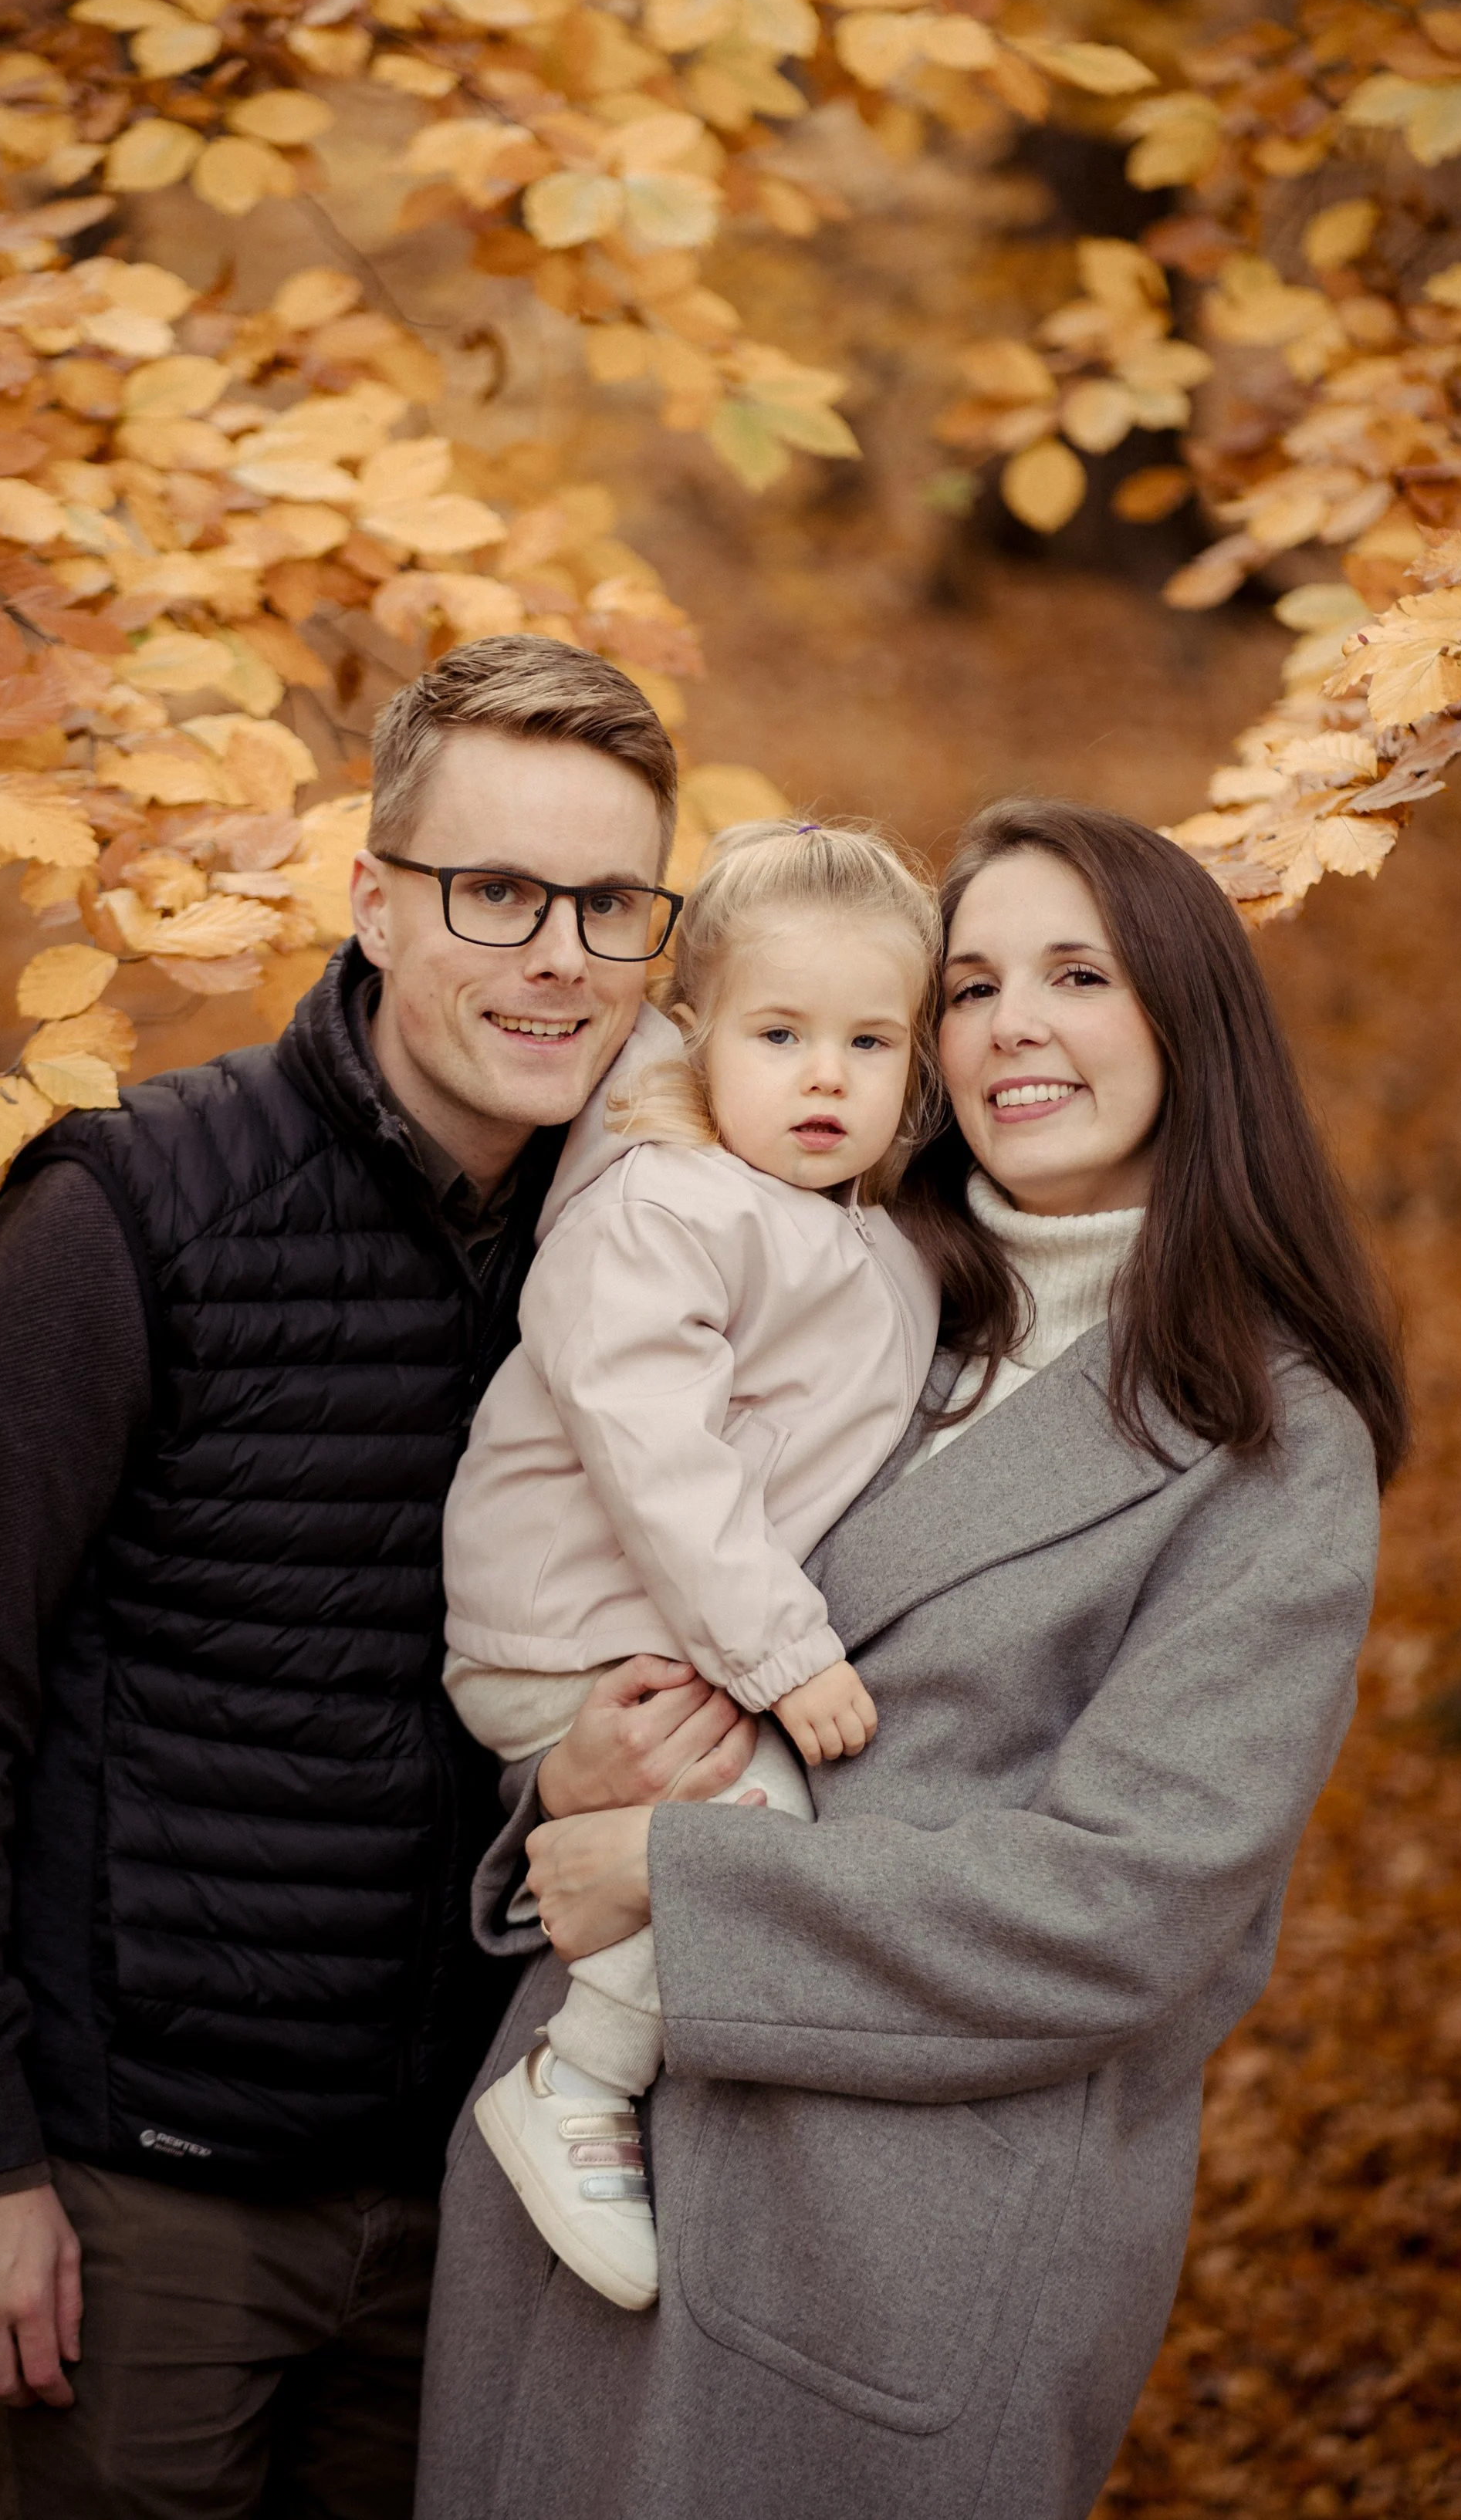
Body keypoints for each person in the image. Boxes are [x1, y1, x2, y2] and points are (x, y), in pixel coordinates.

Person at [0, 636, 756, 2520]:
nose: (557, 956)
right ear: (373, 901)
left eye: (608, 906)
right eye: (494, 894)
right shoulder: (129, 1213)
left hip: (476, 2207)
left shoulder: (657, 1237)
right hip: (144, 2191)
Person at [416, 795, 1409, 2520]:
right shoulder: (855, 1288)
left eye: (1077, 974)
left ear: (1191, 1021)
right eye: (968, 986)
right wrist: (571, 1785)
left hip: (874, 2260)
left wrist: (676, 1873)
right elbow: (629, 1598)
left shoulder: (1268, 1446)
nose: (1011, 1021)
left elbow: (1128, 1910)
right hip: (574, 2188)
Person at [440, 823, 943, 2309]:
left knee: (760, 1830)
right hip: (569, 1629)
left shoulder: (863, 1238)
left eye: (870, 1040)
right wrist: (785, 1652)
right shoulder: (662, 1209)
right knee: (757, 1822)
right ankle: (577, 2080)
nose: (826, 1076)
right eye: (779, 1034)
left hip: (659, 1622)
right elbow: (657, 1454)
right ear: (696, 1037)